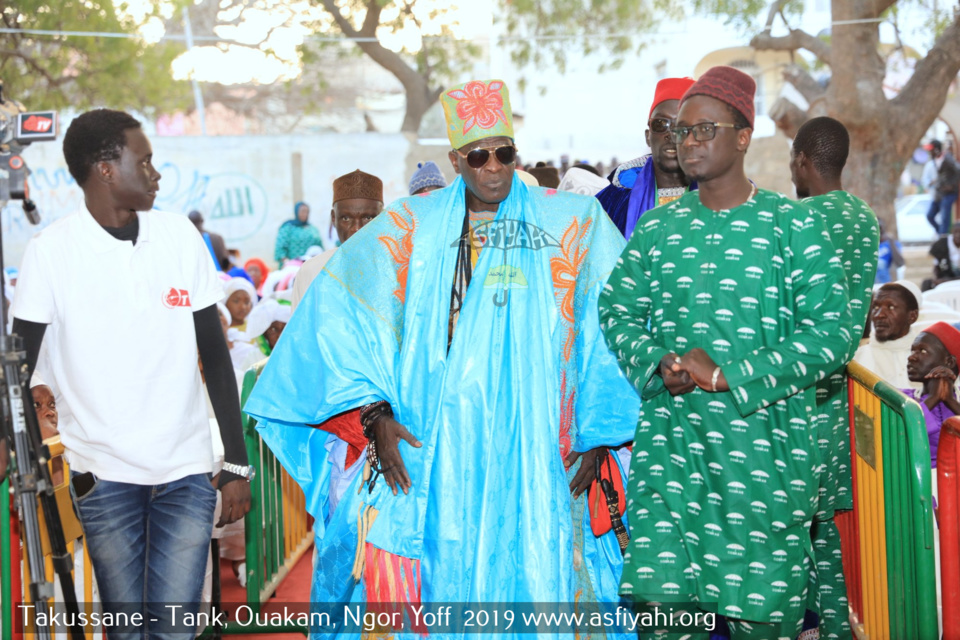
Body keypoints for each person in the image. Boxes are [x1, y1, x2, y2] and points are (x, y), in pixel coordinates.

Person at [243, 78, 639, 631]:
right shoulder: (410, 228)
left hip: (537, 443)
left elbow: (613, 320)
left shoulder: (569, 222)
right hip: (434, 445)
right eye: (479, 156)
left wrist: (601, 433)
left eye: (506, 153)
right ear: (456, 159)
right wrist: (374, 415)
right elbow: (340, 324)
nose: (495, 166)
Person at [599, 66, 853, 639]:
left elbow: (833, 333)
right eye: (681, 131)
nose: (686, 141)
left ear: (744, 135)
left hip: (763, 464)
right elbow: (615, 310)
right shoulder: (658, 231)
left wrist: (729, 375)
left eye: (703, 129)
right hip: (671, 463)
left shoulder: (794, 228)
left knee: (760, 620)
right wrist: (657, 361)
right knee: (665, 618)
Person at [9, 108, 253, 639]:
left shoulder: (179, 238)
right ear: (104, 169)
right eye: (143, 161)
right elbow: (17, 364)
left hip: (186, 471)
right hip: (104, 475)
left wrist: (236, 461)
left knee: (171, 630)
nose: (155, 174)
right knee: (126, 631)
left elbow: (214, 354)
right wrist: (21, 449)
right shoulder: (50, 254)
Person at [790, 115, 880, 640]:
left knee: (792, 518)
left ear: (802, 160)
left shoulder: (799, 220)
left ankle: (803, 623)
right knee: (824, 525)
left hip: (799, 387)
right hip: (839, 388)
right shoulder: (865, 218)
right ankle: (833, 627)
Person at [595, 76, 696, 239]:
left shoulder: (728, 198)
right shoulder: (617, 198)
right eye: (661, 125)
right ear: (648, 136)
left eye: (682, 126)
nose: (670, 135)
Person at [290, 170, 384, 311]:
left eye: (368, 218)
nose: (356, 229)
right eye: (346, 218)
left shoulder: (398, 273)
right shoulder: (311, 272)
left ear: (382, 219)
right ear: (334, 219)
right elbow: (299, 331)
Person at [903, 322, 960, 471]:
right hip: (917, 486)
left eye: (922, 351)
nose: (911, 358)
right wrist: (932, 399)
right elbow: (899, 437)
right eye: (912, 351)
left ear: (949, 362)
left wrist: (951, 402)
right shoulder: (901, 398)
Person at [854, 280, 923, 390]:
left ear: (912, 316)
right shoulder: (858, 359)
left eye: (891, 307)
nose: (879, 315)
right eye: (875, 307)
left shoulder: (928, 358)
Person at [926, 140, 960, 236]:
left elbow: (958, 171)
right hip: (939, 193)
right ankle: (941, 234)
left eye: (931, 150)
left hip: (949, 193)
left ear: (936, 150)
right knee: (930, 215)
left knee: (945, 217)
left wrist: (951, 185)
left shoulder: (947, 159)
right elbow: (942, 174)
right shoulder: (935, 160)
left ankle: (943, 236)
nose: (930, 152)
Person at [274, 201, 323, 266]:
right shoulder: (288, 228)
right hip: (293, 267)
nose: (305, 214)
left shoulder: (313, 229)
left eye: (307, 212)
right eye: (302, 211)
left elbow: (320, 247)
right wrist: (286, 262)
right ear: (296, 212)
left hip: (312, 266)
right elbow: (280, 248)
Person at [925, 221, 960, 290]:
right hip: (944, 276)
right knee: (926, 283)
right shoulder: (942, 244)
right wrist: (937, 279)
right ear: (952, 232)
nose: (958, 235)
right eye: (956, 232)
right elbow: (936, 266)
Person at [875, 219, 904, 285]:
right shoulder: (866, 245)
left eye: (880, 229)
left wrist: (891, 242)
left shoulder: (890, 244)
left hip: (884, 284)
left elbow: (900, 263)